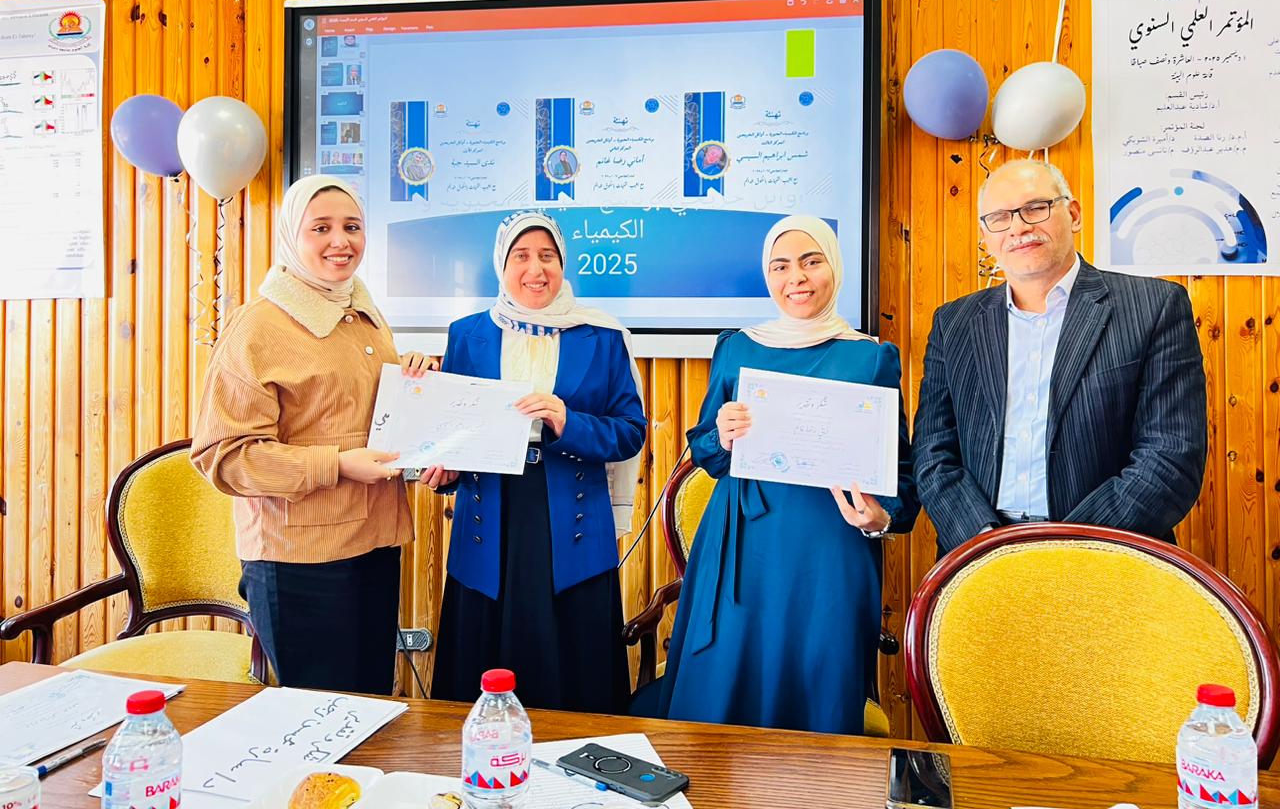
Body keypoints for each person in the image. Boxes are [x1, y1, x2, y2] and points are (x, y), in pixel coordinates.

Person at [654, 215, 918, 735]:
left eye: (811, 261)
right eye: (780, 266)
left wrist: (881, 516)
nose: (796, 277)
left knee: (817, 683)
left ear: (833, 267)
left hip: (828, 553)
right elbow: (706, 449)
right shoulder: (737, 346)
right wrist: (721, 435)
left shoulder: (871, 358)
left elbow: (901, 473)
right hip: (740, 545)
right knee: (722, 688)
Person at [191, 174, 432, 694]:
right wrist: (338, 464)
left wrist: (413, 377)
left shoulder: (362, 314)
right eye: (320, 228)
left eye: (352, 227)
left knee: (370, 707)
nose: (340, 241)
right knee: (320, 717)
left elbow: (358, 412)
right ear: (290, 236)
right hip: (298, 561)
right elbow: (224, 457)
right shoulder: (257, 326)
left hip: (373, 544)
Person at [913, 159, 1207, 554]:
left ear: (1074, 214)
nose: (1018, 227)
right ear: (986, 236)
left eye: (1035, 207)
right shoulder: (954, 323)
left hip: (1107, 554)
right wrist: (982, 541)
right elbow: (933, 452)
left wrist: (1068, 552)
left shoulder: (1154, 307)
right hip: (979, 553)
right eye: (999, 217)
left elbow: (1170, 457)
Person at [430, 211, 646, 714]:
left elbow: (631, 432)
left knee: (575, 673)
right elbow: (451, 433)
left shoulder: (602, 336)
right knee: (484, 667)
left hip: (572, 518)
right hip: (489, 517)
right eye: (521, 256)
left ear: (563, 263)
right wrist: (445, 472)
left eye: (547, 256)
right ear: (501, 265)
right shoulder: (467, 335)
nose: (536, 269)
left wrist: (569, 421)